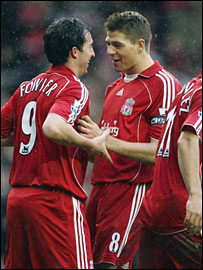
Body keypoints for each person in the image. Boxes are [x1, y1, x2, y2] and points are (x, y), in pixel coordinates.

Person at [1, 17, 112, 269]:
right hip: (55, 201)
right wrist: (88, 144)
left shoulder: (27, 87)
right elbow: (52, 127)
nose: (93, 54)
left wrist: (28, 139)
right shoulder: (74, 87)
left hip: (18, 201)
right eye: (90, 46)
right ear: (75, 52)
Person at [76, 11, 182, 269]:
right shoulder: (114, 87)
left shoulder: (163, 85)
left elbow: (162, 151)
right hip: (99, 189)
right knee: (83, 263)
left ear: (140, 45)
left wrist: (105, 140)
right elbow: (104, 147)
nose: (110, 51)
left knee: (108, 265)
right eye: (108, 44)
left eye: (117, 45)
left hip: (132, 189)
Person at [138, 71, 202, 269]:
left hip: (155, 210)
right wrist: (196, 195)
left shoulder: (189, 88)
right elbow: (187, 140)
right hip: (182, 214)